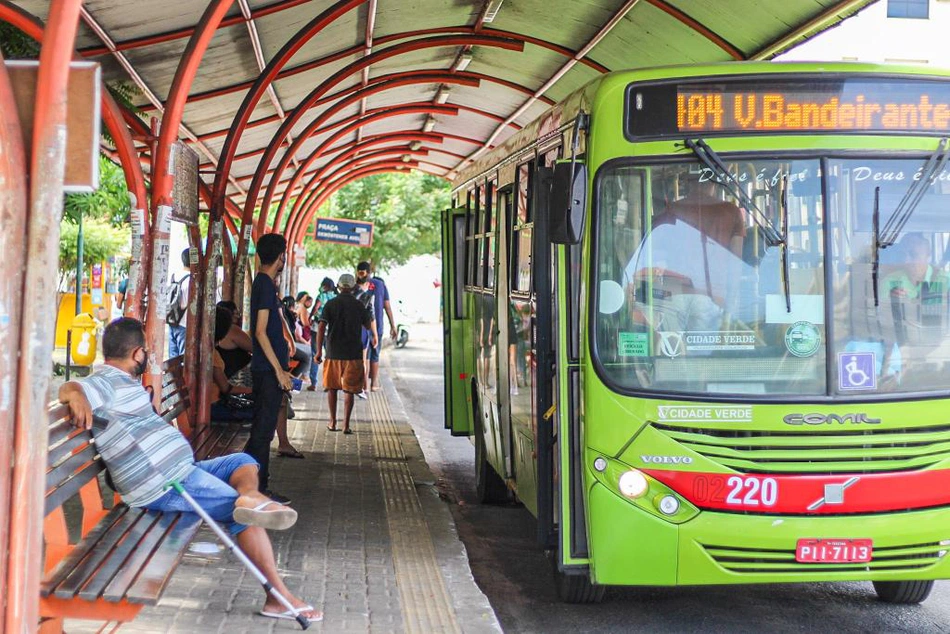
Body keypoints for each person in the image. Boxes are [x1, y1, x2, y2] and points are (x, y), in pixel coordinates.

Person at [57, 318, 320, 623]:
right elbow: (74, 386)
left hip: (181, 469)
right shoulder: (105, 382)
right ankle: (278, 598)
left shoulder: (123, 380)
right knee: (247, 518)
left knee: (244, 462)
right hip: (166, 482)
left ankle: (249, 495)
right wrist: (74, 393)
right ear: (139, 353)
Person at [247, 234, 293, 502]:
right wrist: (278, 370)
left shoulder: (264, 284)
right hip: (267, 371)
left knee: (262, 432)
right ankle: (256, 488)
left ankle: (252, 484)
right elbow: (260, 331)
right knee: (262, 433)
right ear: (280, 257)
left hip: (267, 368)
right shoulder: (264, 284)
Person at [315, 274, 376, 434]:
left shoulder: (330, 304)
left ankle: (332, 422)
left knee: (332, 388)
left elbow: (321, 327)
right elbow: (368, 325)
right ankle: (346, 425)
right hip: (353, 354)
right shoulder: (359, 305)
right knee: (349, 390)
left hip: (333, 352)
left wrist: (318, 351)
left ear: (339, 286)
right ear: (353, 286)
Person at [356, 261, 397, 392]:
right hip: (377, 325)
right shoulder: (380, 285)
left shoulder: (357, 286)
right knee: (374, 355)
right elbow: (387, 307)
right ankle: (373, 384)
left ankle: (364, 385)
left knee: (364, 356)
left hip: (362, 327)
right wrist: (393, 325)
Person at [211, 307, 255, 423]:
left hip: (214, 404)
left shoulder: (210, 350)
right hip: (214, 406)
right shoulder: (211, 354)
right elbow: (226, 388)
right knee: (263, 411)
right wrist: (252, 390)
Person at [307, 278, 336, 391]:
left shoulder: (321, 296)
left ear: (324, 286)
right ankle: (328, 383)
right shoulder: (335, 297)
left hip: (318, 327)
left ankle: (313, 383)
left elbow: (316, 307)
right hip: (330, 329)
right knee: (329, 355)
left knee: (315, 354)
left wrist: (310, 317)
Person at [215, 300, 253, 379]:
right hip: (236, 376)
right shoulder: (232, 329)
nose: (238, 317)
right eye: (235, 313)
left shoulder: (218, 330)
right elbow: (254, 349)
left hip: (228, 375)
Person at [167, 249, 191, 358]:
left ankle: (173, 375)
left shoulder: (173, 276)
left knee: (173, 358)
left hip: (172, 320)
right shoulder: (193, 279)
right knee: (183, 358)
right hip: (185, 323)